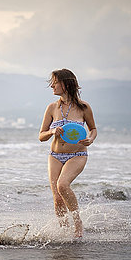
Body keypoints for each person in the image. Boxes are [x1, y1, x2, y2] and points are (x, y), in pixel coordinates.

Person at [39, 69, 97, 238]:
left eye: (55, 82)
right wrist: (51, 132)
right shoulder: (51, 108)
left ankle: (78, 223)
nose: (52, 86)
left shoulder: (84, 107)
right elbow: (41, 136)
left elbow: (93, 129)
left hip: (77, 155)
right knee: (57, 197)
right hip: (55, 155)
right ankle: (64, 231)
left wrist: (91, 139)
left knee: (62, 185)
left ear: (65, 84)